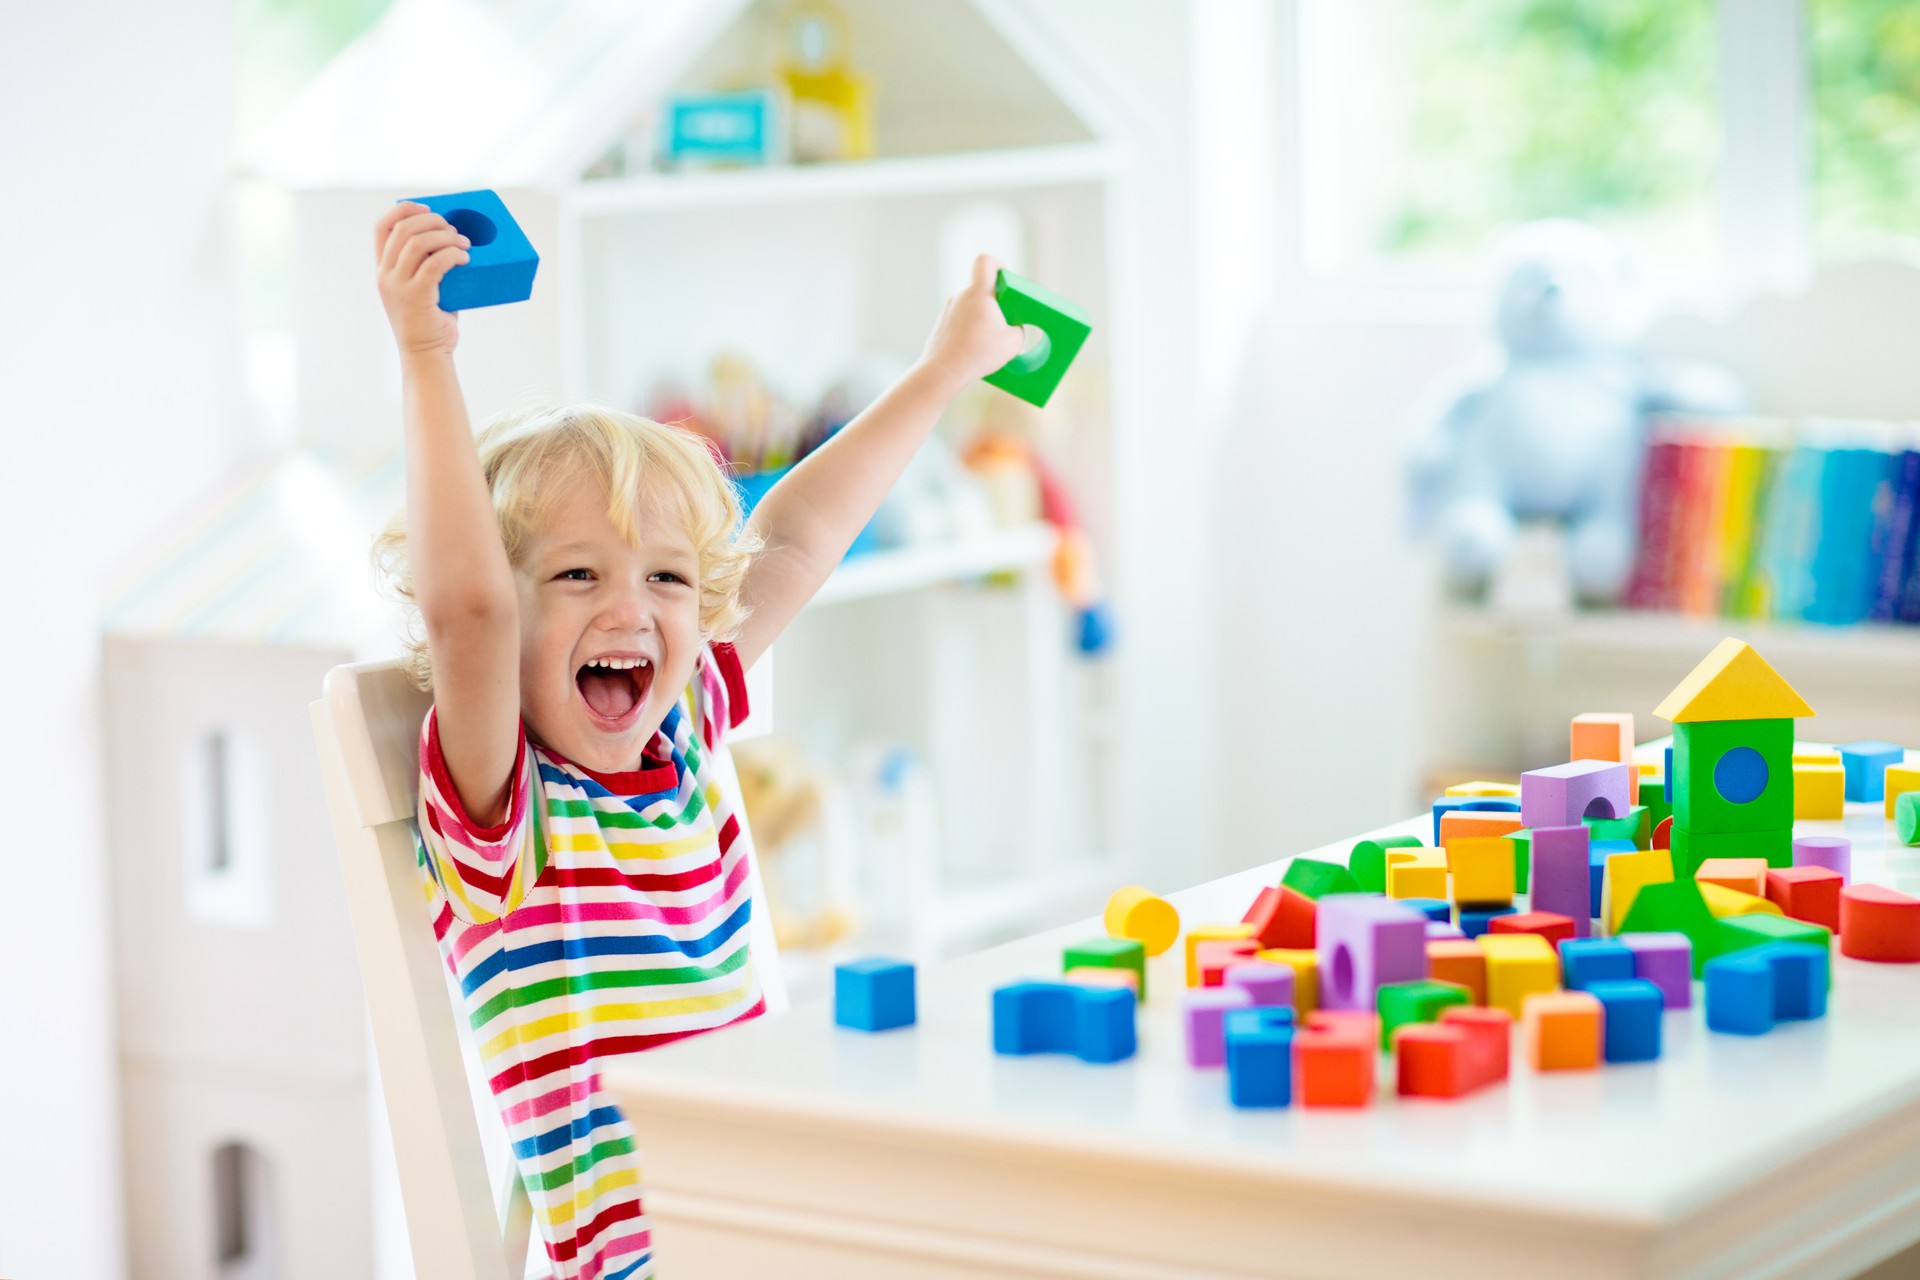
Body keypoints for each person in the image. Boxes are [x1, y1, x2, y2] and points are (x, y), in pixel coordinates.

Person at [371, 200, 1026, 1280]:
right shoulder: (507, 812)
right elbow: (469, 611)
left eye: (668, 578)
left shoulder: (687, 724)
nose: (634, 610)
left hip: (775, 1217)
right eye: (578, 573)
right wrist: (426, 351)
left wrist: (941, 371)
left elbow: (802, 534)